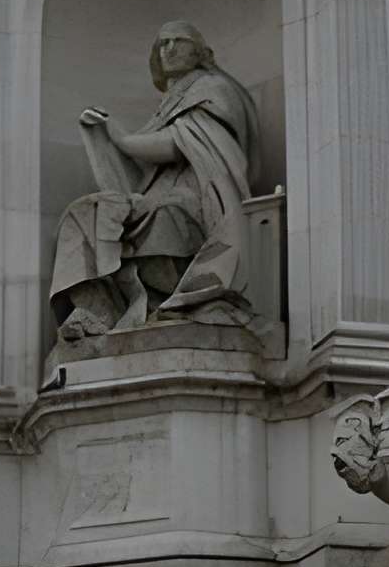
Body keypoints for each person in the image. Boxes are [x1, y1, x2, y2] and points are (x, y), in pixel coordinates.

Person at [50, 22, 259, 342]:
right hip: (160, 195)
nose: (170, 48)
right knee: (84, 213)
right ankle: (98, 308)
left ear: (199, 52)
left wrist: (117, 137)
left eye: (180, 41)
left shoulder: (212, 89)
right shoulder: (172, 100)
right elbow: (143, 162)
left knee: (164, 216)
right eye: (163, 43)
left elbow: (173, 145)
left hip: (197, 199)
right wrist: (103, 133)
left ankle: (153, 302)